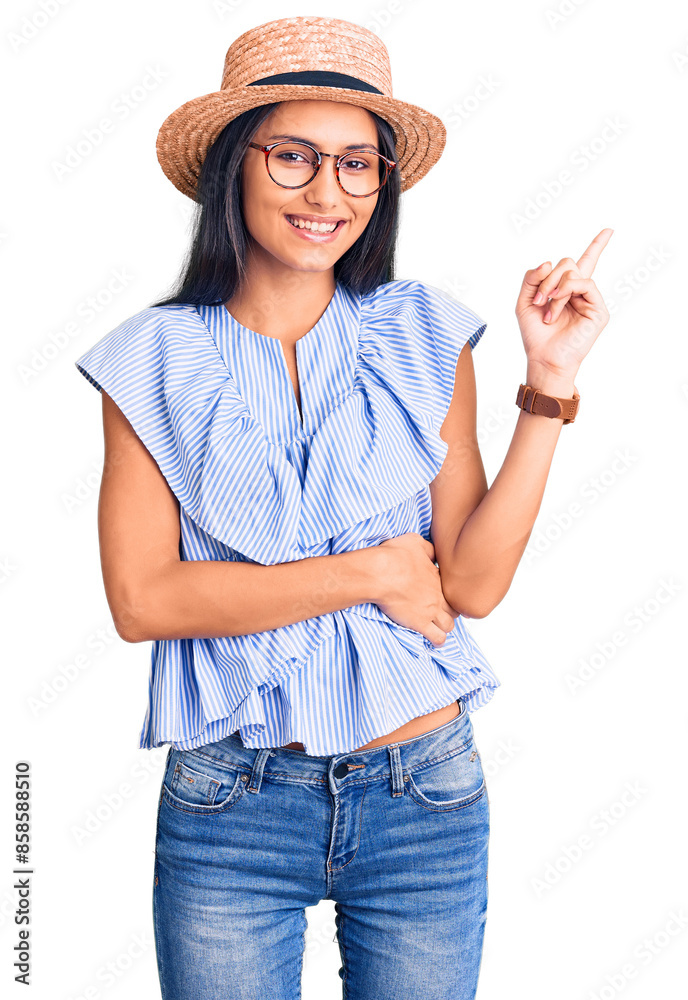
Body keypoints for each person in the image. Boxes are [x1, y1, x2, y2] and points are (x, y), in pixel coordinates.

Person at [74, 15, 612, 1000]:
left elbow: (472, 586)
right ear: (235, 167)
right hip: (230, 799)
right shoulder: (148, 360)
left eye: (358, 165)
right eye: (294, 157)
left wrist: (548, 386)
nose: (328, 192)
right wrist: (372, 570)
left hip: (423, 784)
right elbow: (144, 601)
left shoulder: (423, 335)